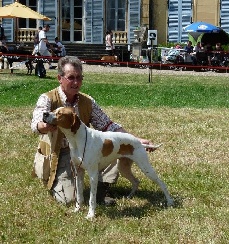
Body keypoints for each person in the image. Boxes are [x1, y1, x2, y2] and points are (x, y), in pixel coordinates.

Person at [31, 56, 157, 206]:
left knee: (111, 147)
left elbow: (108, 125)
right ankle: (59, 181)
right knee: (69, 200)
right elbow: (35, 125)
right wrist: (44, 126)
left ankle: (101, 190)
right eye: (71, 78)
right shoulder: (47, 99)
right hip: (60, 154)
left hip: (85, 149)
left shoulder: (87, 101)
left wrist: (136, 140)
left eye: (79, 78)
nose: (76, 82)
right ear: (60, 78)